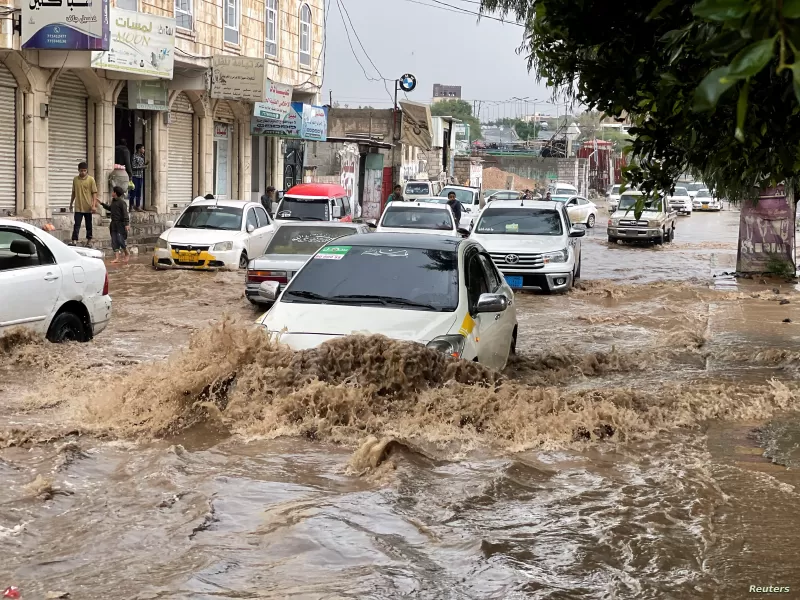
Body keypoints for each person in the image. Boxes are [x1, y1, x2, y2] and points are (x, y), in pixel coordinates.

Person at [69, 161, 98, 247]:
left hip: (88, 207)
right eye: (81, 170)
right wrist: (71, 204)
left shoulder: (91, 180)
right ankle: (74, 240)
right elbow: (73, 193)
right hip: (78, 206)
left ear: (87, 171)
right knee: (77, 224)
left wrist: (93, 205)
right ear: (78, 170)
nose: (83, 172)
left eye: (85, 170)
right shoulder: (75, 179)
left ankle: (89, 241)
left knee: (88, 224)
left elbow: (94, 193)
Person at [100, 186, 130, 264]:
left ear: (115, 193)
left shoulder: (122, 202)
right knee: (114, 240)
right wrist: (102, 204)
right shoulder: (113, 201)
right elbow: (110, 208)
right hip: (113, 224)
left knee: (120, 240)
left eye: (113, 192)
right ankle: (117, 258)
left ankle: (126, 252)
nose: (112, 193)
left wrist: (127, 224)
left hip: (120, 224)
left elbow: (125, 214)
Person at [130, 144, 146, 212]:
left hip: (140, 176)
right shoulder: (134, 156)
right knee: (134, 191)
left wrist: (144, 165)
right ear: (139, 149)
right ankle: (131, 206)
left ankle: (138, 206)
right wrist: (142, 167)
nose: (144, 150)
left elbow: (141, 166)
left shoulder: (142, 157)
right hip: (135, 176)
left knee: (139, 192)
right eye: (143, 148)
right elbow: (133, 167)